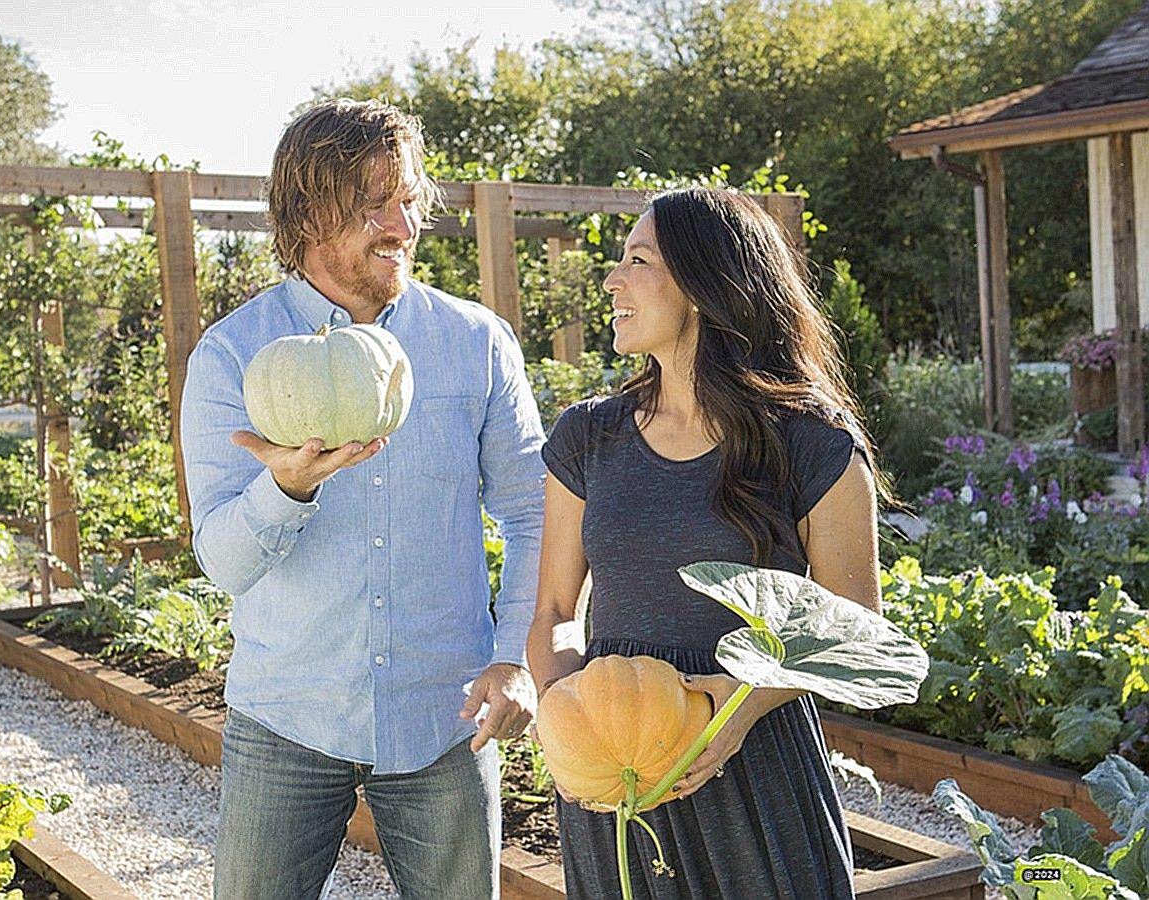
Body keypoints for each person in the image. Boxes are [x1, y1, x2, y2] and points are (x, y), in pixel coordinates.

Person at [180, 98, 545, 900]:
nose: (405, 226)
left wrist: (514, 656)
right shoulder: (234, 357)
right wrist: (284, 487)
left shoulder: (475, 343)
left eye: (410, 200)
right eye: (377, 204)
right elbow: (224, 562)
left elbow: (531, 511)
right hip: (286, 717)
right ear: (309, 212)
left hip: (443, 721)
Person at [527, 187, 889, 899]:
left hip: (756, 776)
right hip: (614, 781)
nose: (611, 280)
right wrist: (568, 714)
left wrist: (742, 705)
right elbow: (555, 613)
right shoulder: (587, 437)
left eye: (637, 261)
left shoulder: (813, 445)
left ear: (703, 284)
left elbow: (859, 631)